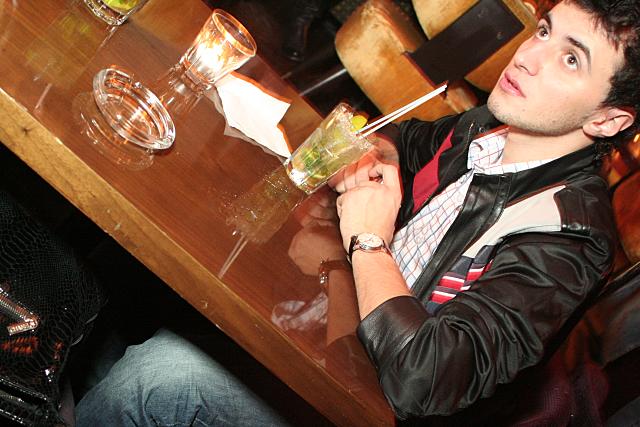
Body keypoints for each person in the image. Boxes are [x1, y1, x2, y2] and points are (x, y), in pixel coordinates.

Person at [75, 0, 640, 424]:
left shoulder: (570, 241)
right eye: (544, 31)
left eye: (571, 59)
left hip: (355, 405)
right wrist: (371, 157)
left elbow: (424, 381)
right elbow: (405, 141)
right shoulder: (489, 126)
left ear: (608, 120)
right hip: (329, 328)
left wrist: (368, 239)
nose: (530, 58)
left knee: (161, 375)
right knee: (147, 266)